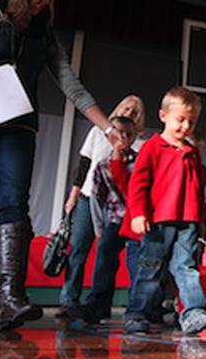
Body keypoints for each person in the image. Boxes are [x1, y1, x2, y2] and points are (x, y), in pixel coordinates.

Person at [0, 0, 121, 329]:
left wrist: (108, 128)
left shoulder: (43, 34)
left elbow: (70, 85)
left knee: (14, 206)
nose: (45, 4)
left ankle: (12, 300)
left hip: (16, 124)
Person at [123, 86, 206, 335]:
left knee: (186, 266)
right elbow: (138, 184)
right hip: (158, 221)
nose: (185, 126)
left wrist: (200, 221)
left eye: (191, 121)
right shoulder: (151, 148)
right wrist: (139, 213)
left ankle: (194, 311)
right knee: (151, 266)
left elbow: (198, 190)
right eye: (180, 120)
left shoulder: (192, 152)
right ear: (163, 116)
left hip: (187, 222)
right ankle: (137, 312)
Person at [58, 94, 145, 317]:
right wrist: (73, 195)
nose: (129, 114)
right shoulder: (98, 131)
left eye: (134, 112)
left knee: (125, 256)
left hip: (124, 208)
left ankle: (136, 306)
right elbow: (84, 164)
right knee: (79, 248)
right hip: (91, 197)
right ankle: (69, 300)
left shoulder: (140, 144)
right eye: (126, 108)